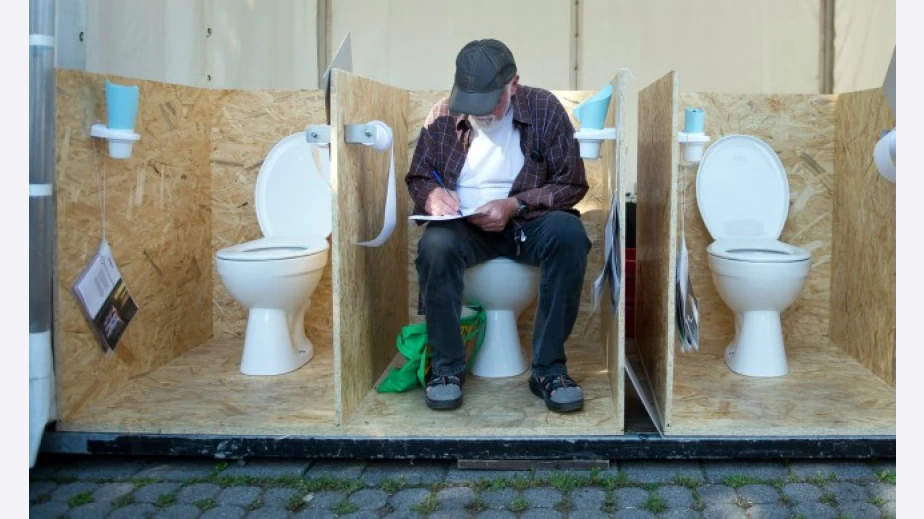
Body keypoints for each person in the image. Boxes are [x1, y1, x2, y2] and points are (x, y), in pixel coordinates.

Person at [405, 38, 590, 413]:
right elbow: (418, 177)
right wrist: (431, 195)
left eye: (490, 102)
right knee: (434, 245)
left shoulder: (544, 108)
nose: (481, 113)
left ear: (513, 84)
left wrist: (515, 203)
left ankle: (548, 370)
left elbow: (572, 183)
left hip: (527, 222)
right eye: (470, 102)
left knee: (570, 235)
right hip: (465, 227)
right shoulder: (442, 115)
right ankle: (446, 369)